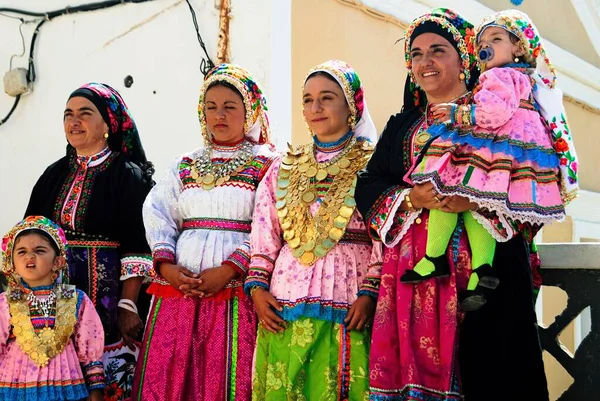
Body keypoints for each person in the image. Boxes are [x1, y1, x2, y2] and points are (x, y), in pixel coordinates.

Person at [355, 8, 549, 400]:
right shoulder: (402, 125)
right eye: (416, 53)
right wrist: (411, 197)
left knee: (492, 373)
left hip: (488, 273)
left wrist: (478, 197)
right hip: (414, 275)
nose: (425, 62)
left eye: (438, 50)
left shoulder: (504, 114)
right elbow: (369, 183)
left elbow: (534, 177)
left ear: (465, 59)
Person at [400, 9, 577, 311]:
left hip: (492, 147)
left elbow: (492, 113)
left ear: (519, 46)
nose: (487, 46)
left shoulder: (497, 76)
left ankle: (433, 257)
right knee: (477, 205)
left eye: (496, 38)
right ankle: (481, 271)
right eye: (483, 41)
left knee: (444, 186)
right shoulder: (527, 81)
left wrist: (458, 113)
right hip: (512, 152)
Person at [132, 63, 278, 401]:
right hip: (180, 285)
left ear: (250, 110)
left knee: (228, 375)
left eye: (230, 106)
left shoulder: (268, 162)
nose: (219, 115)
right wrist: (166, 265)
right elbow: (157, 211)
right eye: (211, 107)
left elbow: (269, 222)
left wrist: (230, 268)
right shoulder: (184, 163)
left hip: (236, 286)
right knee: (170, 376)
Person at [245, 59, 382, 400]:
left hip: (350, 299)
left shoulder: (374, 164)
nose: (315, 107)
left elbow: (386, 233)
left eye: (327, 97)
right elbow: (265, 229)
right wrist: (258, 288)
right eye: (307, 99)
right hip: (284, 301)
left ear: (351, 106)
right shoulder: (283, 166)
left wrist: (370, 292)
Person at [24, 83, 154, 400]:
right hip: (53, 297)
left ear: (108, 123)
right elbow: (26, 236)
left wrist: (127, 304)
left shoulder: (128, 175)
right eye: (68, 114)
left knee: (105, 378)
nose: (74, 121)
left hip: (107, 299)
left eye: (85, 113)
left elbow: (139, 246)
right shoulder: (52, 175)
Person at [0, 216, 105, 401]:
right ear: (12, 263)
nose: (29, 257)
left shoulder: (74, 298)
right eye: (21, 252)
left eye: (39, 250)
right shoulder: (7, 301)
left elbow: (89, 343)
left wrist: (96, 389)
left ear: (57, 262)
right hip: (15, 386)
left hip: (65, 384)